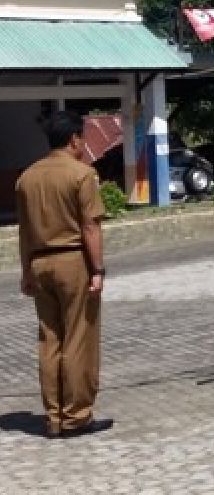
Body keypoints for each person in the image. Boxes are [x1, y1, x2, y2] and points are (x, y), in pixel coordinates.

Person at [16, 110, 112, 438]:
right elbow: (90, 226)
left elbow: (25, 230)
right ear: (74, 140)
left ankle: (53, 417)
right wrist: (97, 270)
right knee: (78, 339)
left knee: (49, 340)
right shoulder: (81, 175)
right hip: (72, 261)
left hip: (39, 263)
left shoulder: (26, 177)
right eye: (82, 138)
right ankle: (76, 416)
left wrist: (26, 270)